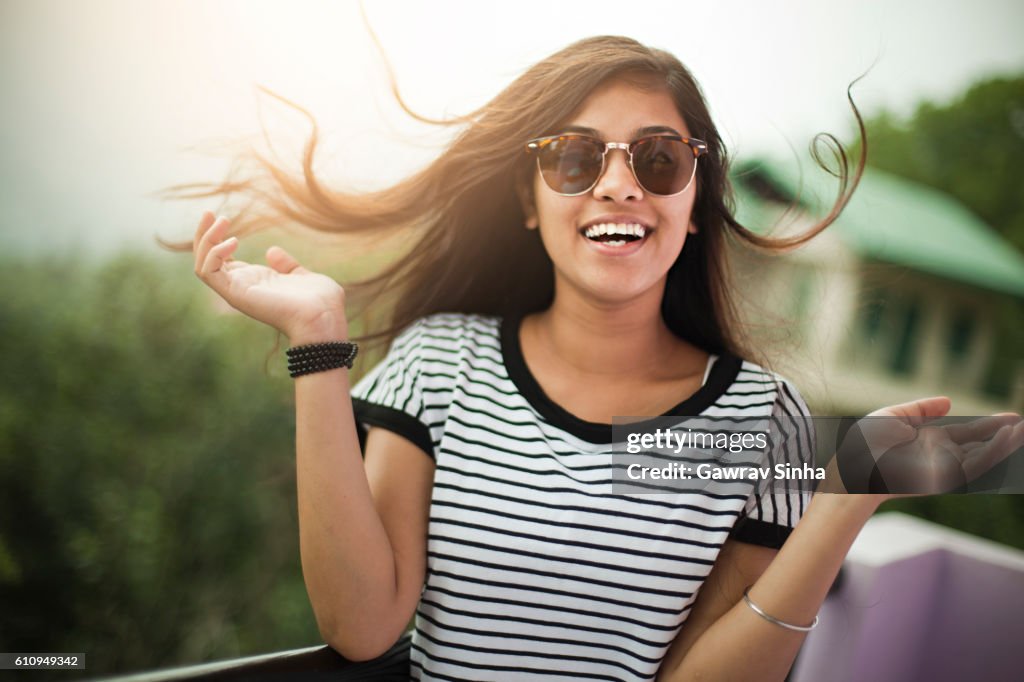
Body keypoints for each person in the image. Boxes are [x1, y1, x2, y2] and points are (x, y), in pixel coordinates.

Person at [185, 36, 1022, 681]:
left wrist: (840, 503)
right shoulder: (441, 368)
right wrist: (317, 343)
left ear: (694, 202)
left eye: (658, 160)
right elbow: (362, 626)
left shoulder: (756, 421)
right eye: (576, 157)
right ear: (528, 195)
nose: (619, 184)